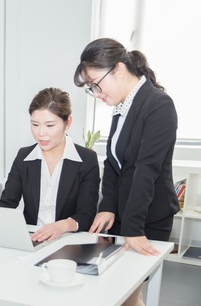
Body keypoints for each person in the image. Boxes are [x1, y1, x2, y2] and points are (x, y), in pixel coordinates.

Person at [73, 38, 179, 306]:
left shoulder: (158, 104)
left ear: (119, 69)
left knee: (127, 292)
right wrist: (108, 205)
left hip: (147, 218)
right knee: (120, 293)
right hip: (123, 214)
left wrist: (132, 228)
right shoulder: (123, 105)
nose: (96, 93)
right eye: (91, 88)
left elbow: (146, 171)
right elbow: (113, 162)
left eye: (96, 84)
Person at [0, 88, 100, 243]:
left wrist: (62, 226)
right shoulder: (24, 157)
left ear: (68, 122)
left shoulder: (86, 160)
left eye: (50, 125)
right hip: (31, 239)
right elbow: (7, 204)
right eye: (35, 124)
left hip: (68, 241)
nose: (41, 133)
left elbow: (86, 214)